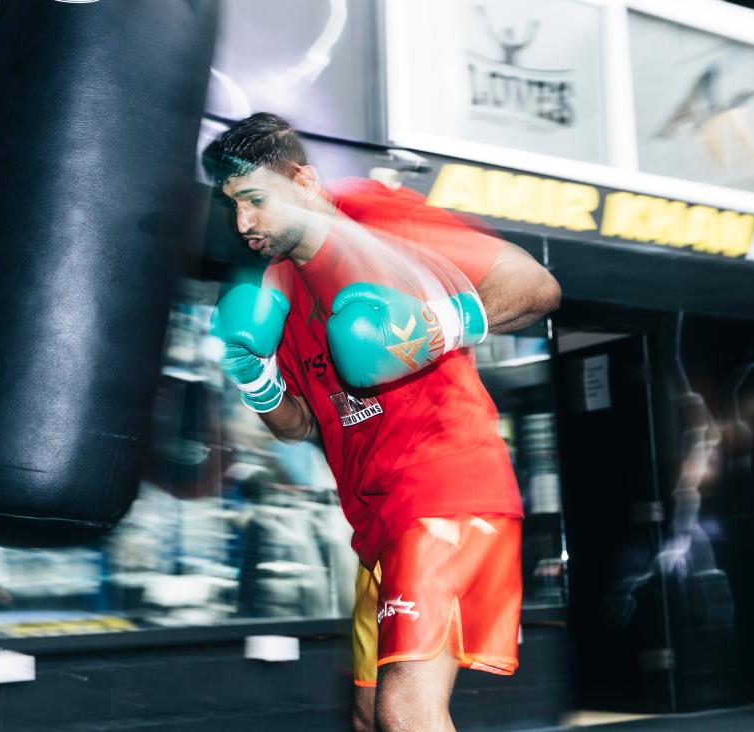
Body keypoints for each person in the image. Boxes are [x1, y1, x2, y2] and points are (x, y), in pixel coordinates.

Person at [204, 113, 561, 732]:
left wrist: (430, 329)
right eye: (233, 206)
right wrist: (256, 378)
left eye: (255, 201)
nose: (244, 224)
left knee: (407, 712)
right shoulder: (277, 287)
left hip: (445, 492)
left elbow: (535, 287)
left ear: (303, 180)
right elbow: (297, 426)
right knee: (370, 717)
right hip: (375, 522)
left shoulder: (375, 220)